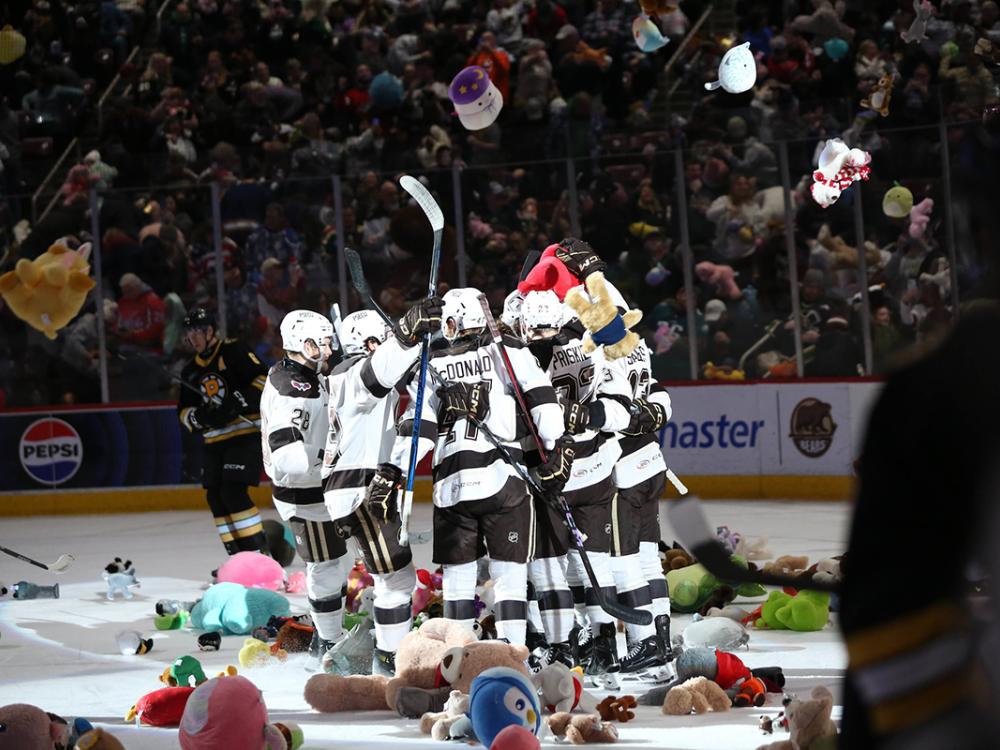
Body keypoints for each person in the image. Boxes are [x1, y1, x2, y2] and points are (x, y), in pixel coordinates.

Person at [380, 288, 566, 649]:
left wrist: (396, 471)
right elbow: (546, 409)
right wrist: (553, 446)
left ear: (452, 322)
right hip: (505, 484)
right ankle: (514, 655)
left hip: (453, 488)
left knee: (458, 583)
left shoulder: (430, 363)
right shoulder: (507, 350)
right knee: (510, 579)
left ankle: (458, 657)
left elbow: (420, 431)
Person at [321, 298, 443, 673]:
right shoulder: (351, 374)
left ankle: (388, 657)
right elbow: (381, 371)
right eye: (383, 337)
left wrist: (426, 341)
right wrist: (408, 331)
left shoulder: (353, 375)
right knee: (395, 580)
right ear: (369, 343)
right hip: (361, 489)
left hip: (359, 486)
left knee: (395, 577)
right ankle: (392, 663)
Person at [518, 287, 632, 677]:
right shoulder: (592, 346)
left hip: (554, 471)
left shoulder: (525, 356)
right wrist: (588, 416)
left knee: (547, 565)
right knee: (594, 562)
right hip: (596, 467)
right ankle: (603, 643)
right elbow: (621, 408)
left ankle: (560, 645)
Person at [260, 309, 337, 649]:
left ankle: (329, 630)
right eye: (324, 344)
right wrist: (330, 458)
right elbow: (289, 457)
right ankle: (327, 642)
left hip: (311, 489)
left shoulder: (298, 373)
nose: (330, 351)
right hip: (304, 493)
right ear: (305, 345)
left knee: (335, 562)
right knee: (326, 567)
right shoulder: (294, 388)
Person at [177, 308, 269, 555]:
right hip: (214, 441)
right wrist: (202, 416)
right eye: (189, 333)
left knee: (233, 492)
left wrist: (238, 402)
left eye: (198, 331)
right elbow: (184, 414)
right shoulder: (190, 371)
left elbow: (264, 379)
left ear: (210, 331)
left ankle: (259, 556)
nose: (193, 338)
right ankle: (238, 558)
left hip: (245, 435)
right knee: (215, 498)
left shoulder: (233, 350)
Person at [610, 334, 674, 674]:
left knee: (624, 559)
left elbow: (609, 414)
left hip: (623, 469)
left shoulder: (600, 349)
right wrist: (652, 416)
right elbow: (661, 397)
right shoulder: (635, 343)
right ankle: (662, 637)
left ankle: (643, 640)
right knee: (650, 557)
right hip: (652, 461)